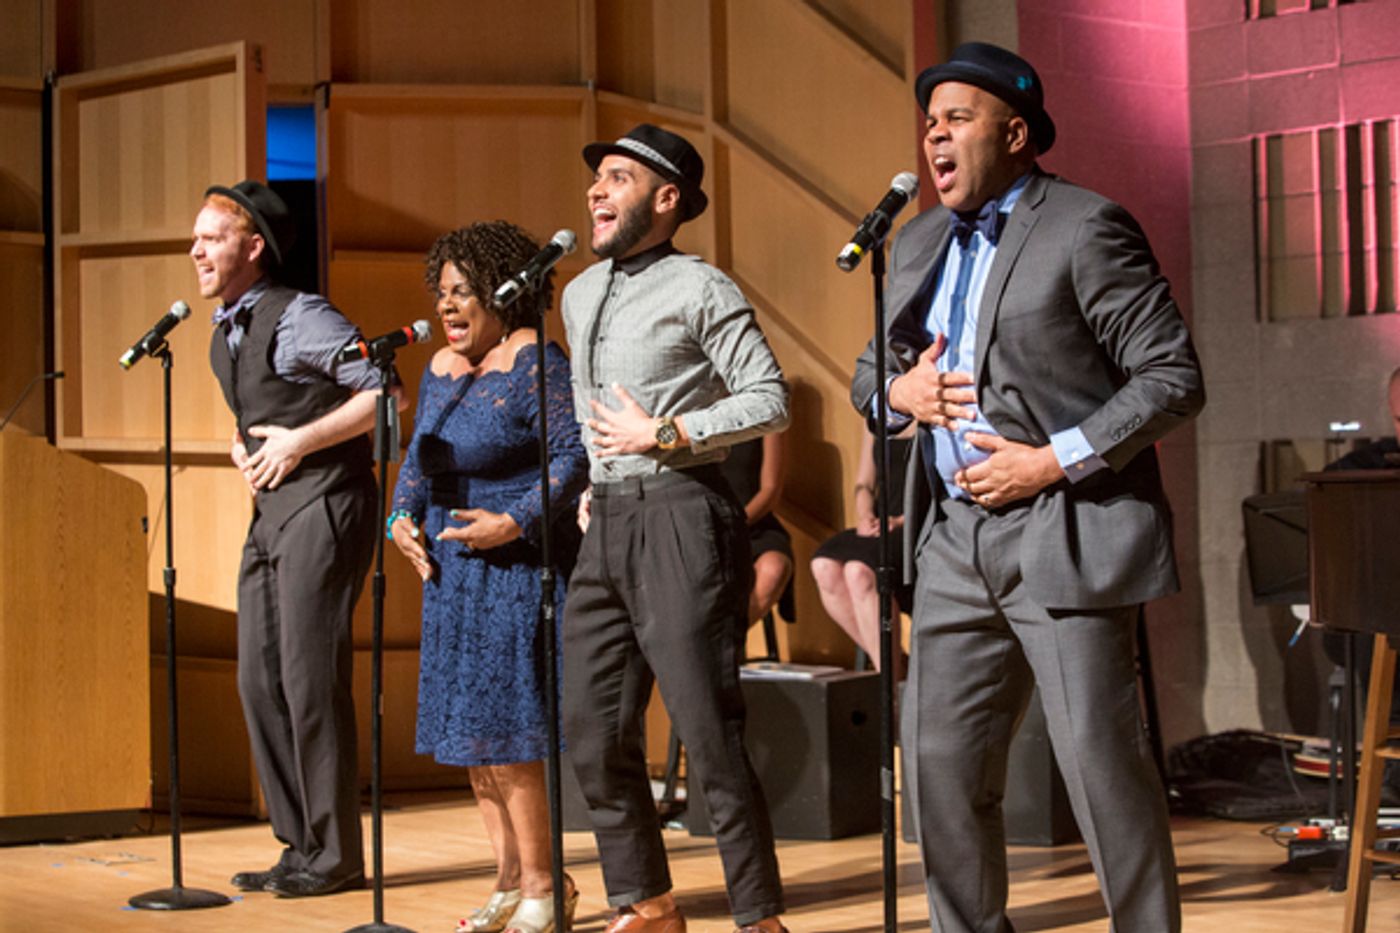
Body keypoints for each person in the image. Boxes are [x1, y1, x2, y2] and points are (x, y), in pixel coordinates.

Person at [851, 43, 1205, 931]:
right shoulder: (921, 237)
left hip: (1065, 526)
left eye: (956, 118)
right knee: (937, 767)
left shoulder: (1085, 226)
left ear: (1016, 133)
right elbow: (869, 372)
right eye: (928, 123)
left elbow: (1171, 377)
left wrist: (1050, 460)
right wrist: (900, 391)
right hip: (951, 544)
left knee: (1101, 773)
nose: (934, 135)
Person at [560, 124, 790, 933]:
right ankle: (647, 901)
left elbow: (769, 398)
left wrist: (666, 433)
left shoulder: (703, 287)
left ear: (666, 199)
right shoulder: (578, 293)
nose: (595, 190)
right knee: (590, 729)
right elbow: (595, 416)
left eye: (617, 178)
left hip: (684, 513)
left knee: (707, 729)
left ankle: (759, 916)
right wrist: (594, 479)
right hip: (608, 521)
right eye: (595, 178)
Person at [195, 180, 397, 897]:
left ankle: (336, 853)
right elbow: (266, 405)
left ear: (253, 247)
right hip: (272, 508)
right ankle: (298, 842)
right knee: (259, 677)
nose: (196, 250)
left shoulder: (300, 315)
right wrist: (240, 443)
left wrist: (301, 442)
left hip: (327, 500)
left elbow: (382, 392)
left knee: (311, 678)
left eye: (211, 237)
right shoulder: (227, 326)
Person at [388, 222, 590, 933]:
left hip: (515, 572)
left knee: (509, 736)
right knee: (472, 740)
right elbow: (416, 462)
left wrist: (517, 521)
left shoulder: (535, 361)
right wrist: (399, 521)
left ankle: (546, 884)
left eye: (464, 290)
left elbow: (572, 457)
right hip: (452, 577)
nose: (448, 305)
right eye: (441, 291)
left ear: (508, 290)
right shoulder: (440, 369)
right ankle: (509, 879)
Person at [809, 425, 915, 679]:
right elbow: (864, 484)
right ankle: (895, 668)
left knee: (859, 572)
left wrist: (899, 521)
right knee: (824, 565)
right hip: (880, 523)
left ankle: (887, 685)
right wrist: (866, 514)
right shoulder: (878, 413)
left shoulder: (933, 411)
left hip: (917, 524)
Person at [718, 433, 794, 630]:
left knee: (775, 566)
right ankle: (716, 647)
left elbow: (770, 490)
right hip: (705, 525)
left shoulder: (767, 414)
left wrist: (736, 523)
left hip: (754, 522)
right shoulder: (693, 414)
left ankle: (732, 639)